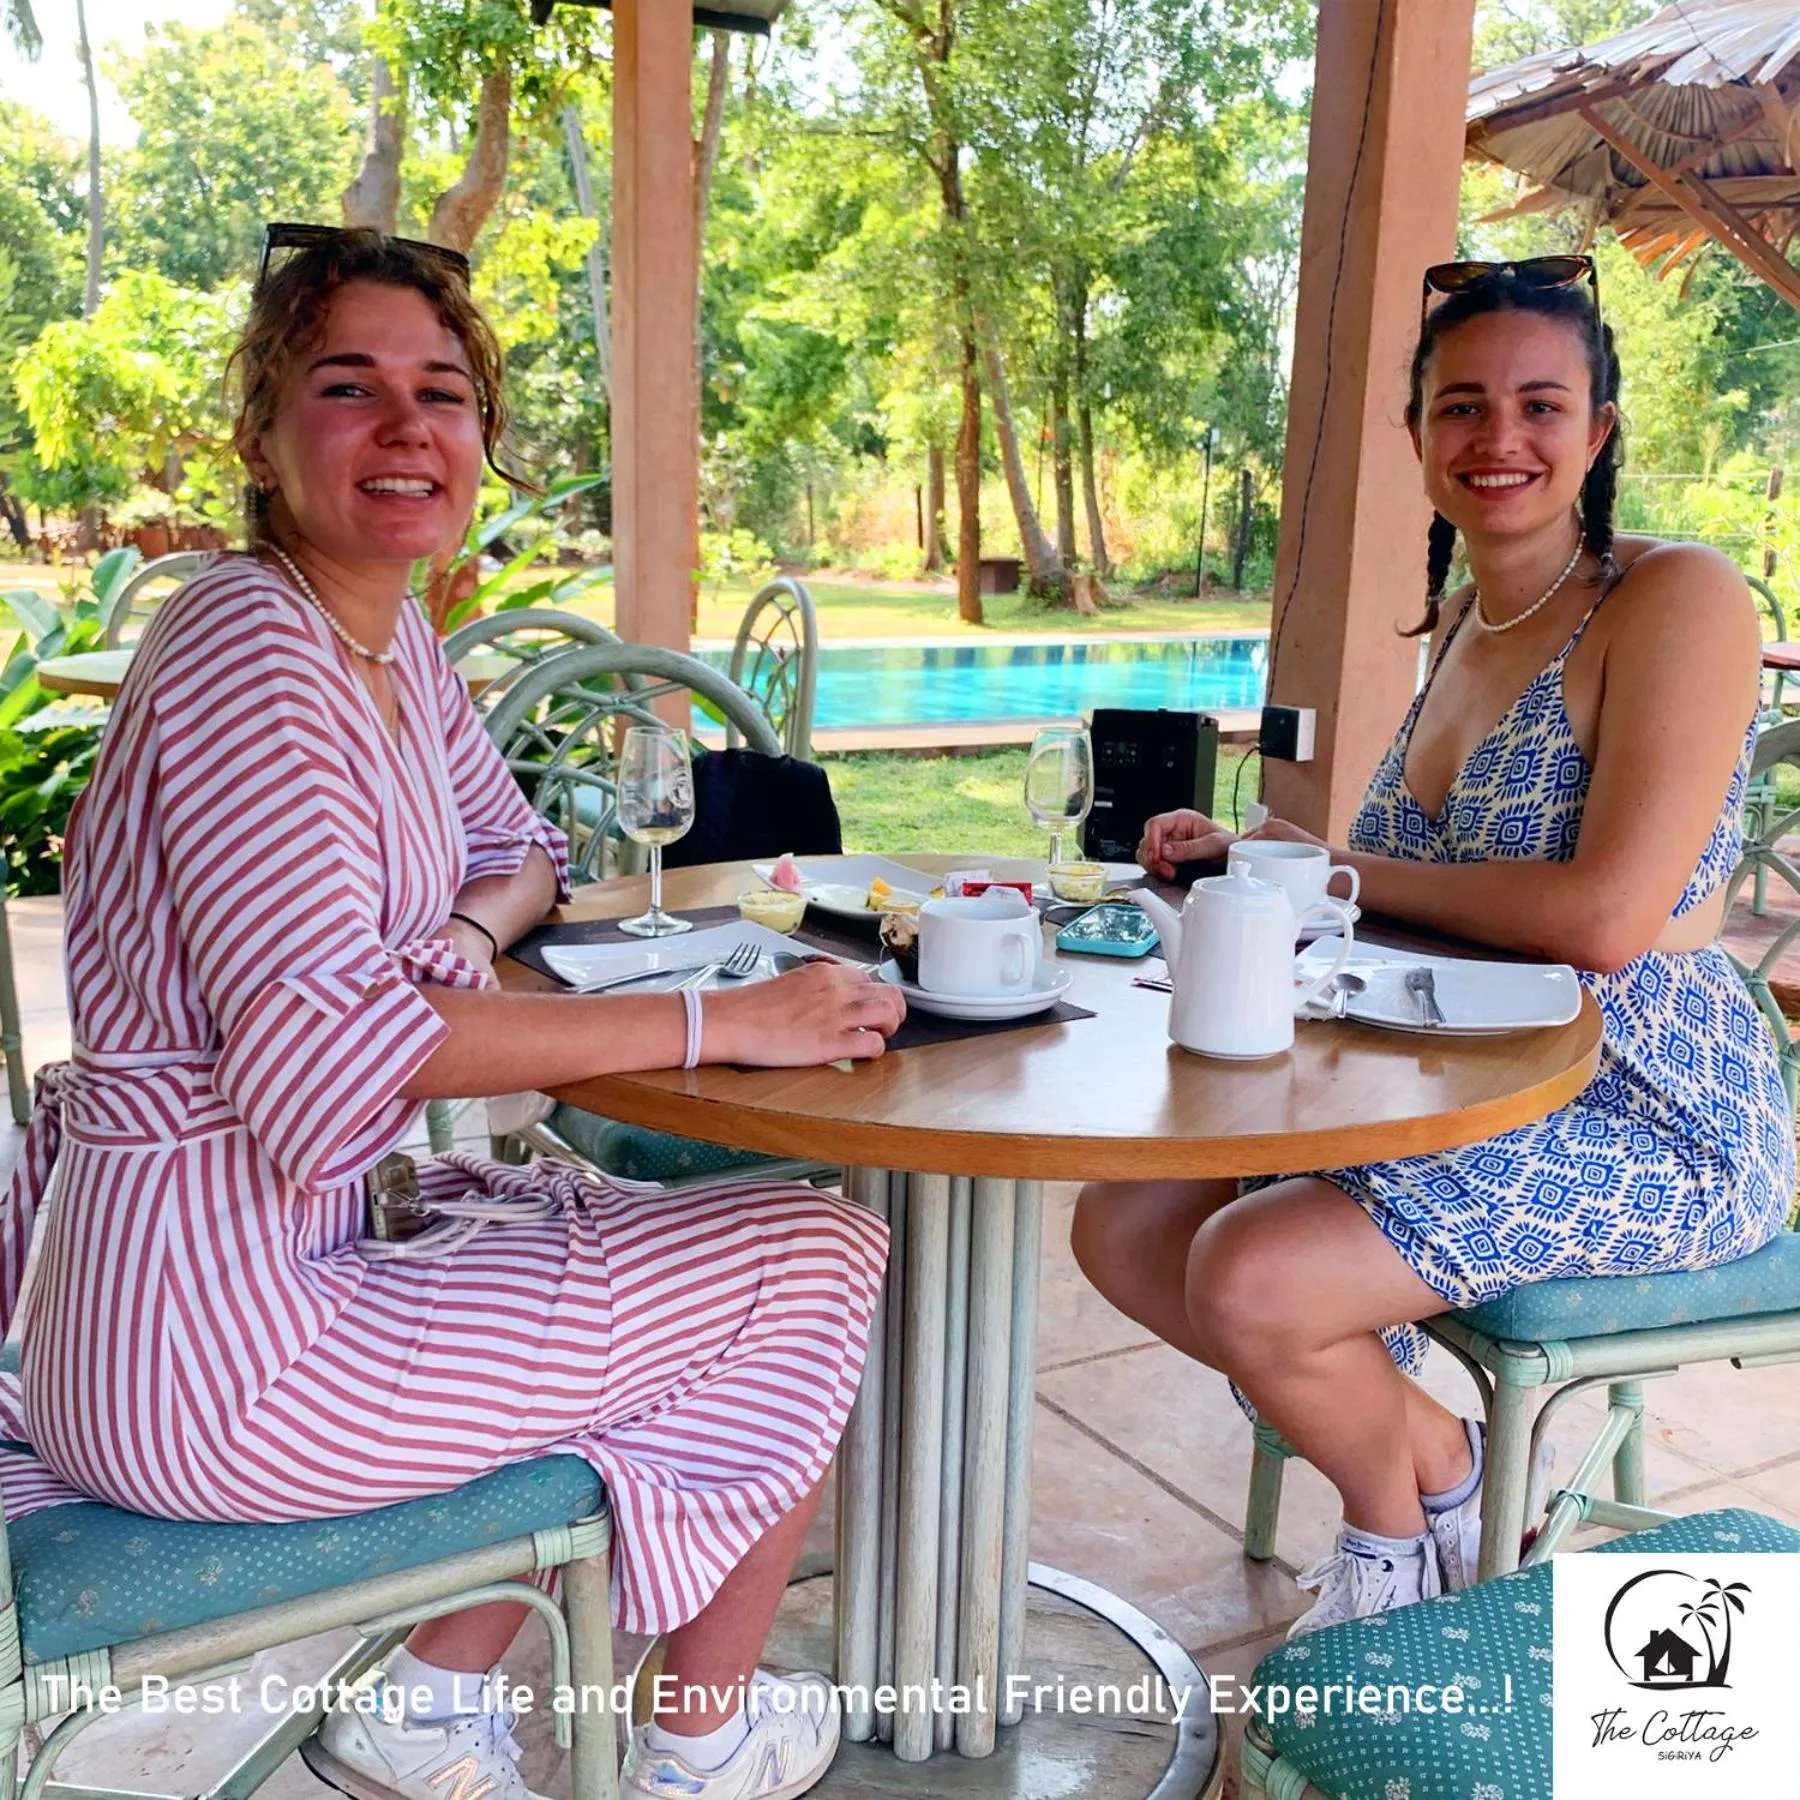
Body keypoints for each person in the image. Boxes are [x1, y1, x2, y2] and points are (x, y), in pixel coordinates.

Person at [0, 227, 909, 1800]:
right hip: (212, 1357)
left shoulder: (388, 636)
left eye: (443, 393)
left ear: (481, 436)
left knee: (600, 1239)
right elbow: (327, 1059)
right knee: (814, 1252)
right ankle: (702, 1743)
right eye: (348, 387)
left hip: (257, 1281)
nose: (406, 427)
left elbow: (520, 850)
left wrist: (449, 935)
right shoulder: (247, 646)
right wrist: (721, 1027)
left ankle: (430, 1705)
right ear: (267, 436)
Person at [1071, 257, 1792, 1637]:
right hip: (1450, 1074)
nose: (1499, 440)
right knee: (1124, 1220)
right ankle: (1443, 1461)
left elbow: (1602, 921)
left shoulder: (1679, 599)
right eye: (1461, 406)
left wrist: (1330, 866)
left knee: (1253, 1274)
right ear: (1416, 436)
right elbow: (1421, 896)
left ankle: (1396, 1551)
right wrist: (1256, 860)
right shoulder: (1465, 617)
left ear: (1599, 427)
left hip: (1647, 1104)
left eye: (1539, 404)